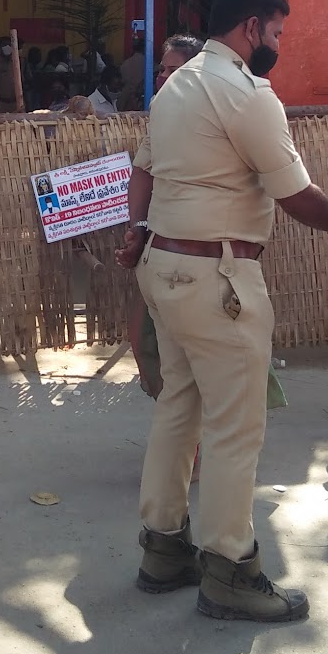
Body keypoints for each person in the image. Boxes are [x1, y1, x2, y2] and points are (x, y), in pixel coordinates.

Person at [116, 0, 328, 624]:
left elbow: (144, 167)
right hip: (218, 282)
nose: (279, 44)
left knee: (179, 406)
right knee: (236, 425)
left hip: (165, 268)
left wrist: (134, 230)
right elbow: (295, 195)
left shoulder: (176, 85)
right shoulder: (244, 91)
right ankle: (231, 570)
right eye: (278, 32)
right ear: (250, 27)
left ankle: (163, 550)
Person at [122, 36, 204, 399]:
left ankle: (196, 439)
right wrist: (137, 229)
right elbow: (142, 171)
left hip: (205, 253)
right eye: (161, 70)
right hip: (158, 248)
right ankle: (180, 427)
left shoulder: (224, 113)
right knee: (143, 342)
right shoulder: (160, 111)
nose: (163, 77)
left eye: (174, 69)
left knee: (197, 352)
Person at [118, 35, 146, 111]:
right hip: (141, 100)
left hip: (125, 100)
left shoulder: (125, 64)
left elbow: (122, 81)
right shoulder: (149, 64)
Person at [0, 35, 18, 111]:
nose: (7, 47)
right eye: (4, 45)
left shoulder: (18, 63)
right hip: (1, 103)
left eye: (9, 45)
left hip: (16, 103)